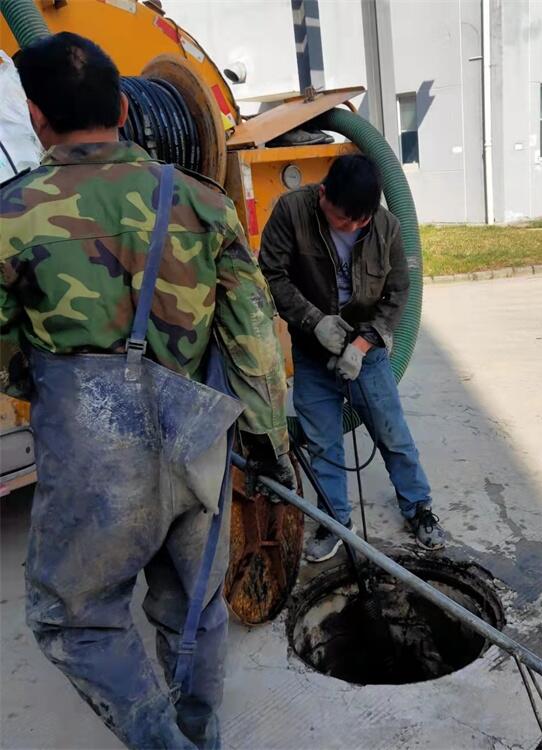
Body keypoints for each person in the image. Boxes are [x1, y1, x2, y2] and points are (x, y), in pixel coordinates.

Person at [0, 33, 294, 750]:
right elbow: (255, 344)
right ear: (126, 107)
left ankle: (163, 741)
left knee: (73, 616)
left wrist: (36, 382)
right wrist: (268, 448)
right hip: (197, 446)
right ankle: (200, 730)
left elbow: (6, 352)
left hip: (93, 462)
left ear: (36, 118)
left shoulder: (10, 216)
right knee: (194, 609)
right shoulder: (201, 202)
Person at [259, 153, 446, 562]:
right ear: (324, 195)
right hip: (312, 351)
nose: (354, 227)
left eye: (362, 220)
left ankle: (418, 509)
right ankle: (334, 521)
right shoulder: (292, 211)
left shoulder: (384, 225)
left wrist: (363, 345)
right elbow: (270, 274)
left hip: (368, 352)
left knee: (393, 434)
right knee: (323, 443)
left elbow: (398, 292)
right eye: (345, 220)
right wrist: (313, 323)